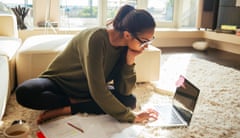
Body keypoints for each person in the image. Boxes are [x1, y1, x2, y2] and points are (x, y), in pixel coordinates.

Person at [15, 4, 158, 124]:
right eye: (144, 41)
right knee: (24, 92)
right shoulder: (97, 38)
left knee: (129, 100)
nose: (146, 46)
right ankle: (76, 102)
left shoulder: (127, 48)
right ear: (127, 35)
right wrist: (132, 117)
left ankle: (66, 108)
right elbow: (99, 91)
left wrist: (129, 61)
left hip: (88, 90)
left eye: (150, 41)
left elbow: (124, 91)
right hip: (60, 83)